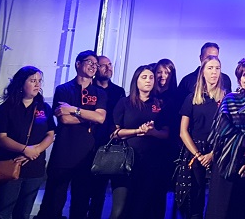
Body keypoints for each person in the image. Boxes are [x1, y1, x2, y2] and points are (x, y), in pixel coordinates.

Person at [35, 50, 107, 219]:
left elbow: (100, 118)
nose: (93, 67)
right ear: (78, 64)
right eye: (89, 62)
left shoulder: (99, 93)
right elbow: (64, 120)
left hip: (87, 153)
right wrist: (89, 117)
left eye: (96, 64)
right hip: (64, 152)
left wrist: (73, 110)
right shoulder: (63, 89)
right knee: (53, 200)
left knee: (81, 202)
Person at [205, 57, 245, 219]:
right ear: (239, 78)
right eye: (244, 75)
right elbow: (222, 128)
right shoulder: (230, 99)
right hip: (229, 160)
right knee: (224, 210)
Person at [0, 66, 56, 219]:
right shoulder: (6, 108)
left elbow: (50, 134)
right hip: (9, 166)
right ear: (21, 84)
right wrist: (25, 149)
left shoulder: (43, 108)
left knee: (24, 214)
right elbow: (1, 137)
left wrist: (35, 150)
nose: (37, 85)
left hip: (35, 168)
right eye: (33, 81)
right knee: (3, 213)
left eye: (39, 81)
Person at [110, 64, 169, 219]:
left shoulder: (160, 104)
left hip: (150, 163)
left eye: (151, 77)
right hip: (125, 162)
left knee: (142, 208)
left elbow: (166, 133)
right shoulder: (124, 102)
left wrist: (153, 132)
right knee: (120, 210)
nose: (148, 80)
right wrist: (138, 131)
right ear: (136, 80)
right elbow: (114, 133)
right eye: (144, 77)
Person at [177, 54, 225, 219]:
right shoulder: (192, 98)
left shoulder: (226, 98)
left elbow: (228, 131)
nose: (214, 72)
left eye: (217, 68)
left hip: (218, 152)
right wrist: (198, 155)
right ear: (202, 71)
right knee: (193, 202)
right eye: (210, 68)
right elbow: (183, 131)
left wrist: (212, 154)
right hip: (195, 152)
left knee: (216, 201)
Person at [90, 55, 126, 219]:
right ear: (96, 68)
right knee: (92, 189)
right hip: (91, 143)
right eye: (103, 65)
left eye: (110, 64)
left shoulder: (118, 91)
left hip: (111, 144)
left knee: (109, 189)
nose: (108, 68)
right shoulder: (89, 89)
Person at [153, 57, 180, 217]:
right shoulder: (148, 95)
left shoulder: (177, 98)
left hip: (167, 150)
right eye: (159, 72)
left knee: (161, 192)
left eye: (167, 72)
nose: (163, 76)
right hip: (147, 148)